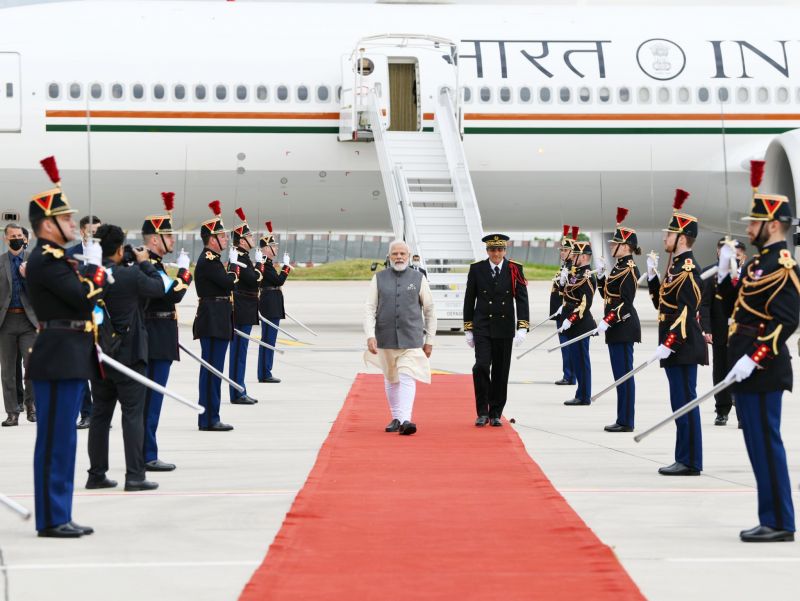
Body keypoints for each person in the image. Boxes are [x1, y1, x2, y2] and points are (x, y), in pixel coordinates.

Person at [716, 160, 797, 542]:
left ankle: (780, 521)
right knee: (756, 445)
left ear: (773, 225)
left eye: (753, 223)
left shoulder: (782, 266)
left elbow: (785, 322)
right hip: (746, 368)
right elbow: (736, 307)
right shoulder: (757, 265)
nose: (747, 229)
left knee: (767, 443)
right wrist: (726, 275)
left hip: (763, 370)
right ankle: (770, 515)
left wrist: (755, 357)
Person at [27, 156, 108, 537]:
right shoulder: (44, 259)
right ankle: (51, 518)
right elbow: (81, 297)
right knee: (55, 440)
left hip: (71, 352)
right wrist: (94, 272)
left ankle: (61, 512)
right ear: (48, 224)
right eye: (67, 219)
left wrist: (90, 272)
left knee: (65, 441)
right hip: (58, 354)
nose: (74, 225)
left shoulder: (60, 258)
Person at [86, 225, 165, 492]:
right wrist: (144, 264)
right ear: (120, 248)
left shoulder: (93, 275)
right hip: (130, 355)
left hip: (101, 355)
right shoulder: (129, 275)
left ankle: (96, 473)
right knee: (132, 416)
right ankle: (135, 475)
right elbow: (158, 288)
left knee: (100, 415)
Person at [647, 189, 707, 476]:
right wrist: (653, 279)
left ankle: (690, 461)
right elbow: (663, 304)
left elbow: (684, 311)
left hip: (682, 346)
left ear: (682, 238)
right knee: (679, 403)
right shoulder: (674, 269)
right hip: (675, 346)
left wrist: (669, 342)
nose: (664, 239)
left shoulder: (688, 269)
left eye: (669, 235)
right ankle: (684, 457)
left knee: (685, 403)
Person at [141, 193, 193, 471]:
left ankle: (146, 451)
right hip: (154, 338)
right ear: (154, 240)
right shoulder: (148, 265)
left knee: (152, 402)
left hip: (159, 336)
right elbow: (172, 295)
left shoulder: (155, 265)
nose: (173, 241)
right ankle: (147, 454)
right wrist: (185, 275)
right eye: (168, 236)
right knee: (151, 402)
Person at [365, 240, 436, 435]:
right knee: (391, 378)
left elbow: (430, 310)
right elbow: (370, 309)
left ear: (408, 256)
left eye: (402, 254)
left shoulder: (419, 278)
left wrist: (429, 340)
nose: (398, 257)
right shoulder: (378, 278)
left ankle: (406, 419)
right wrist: (370, 335)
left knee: (406, 375)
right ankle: (396, 416)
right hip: (385, 337)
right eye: (395, 253)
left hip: (411, 337)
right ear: (389, 257)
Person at [463, 233, 529, 426]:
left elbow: (522, 299)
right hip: (482, 326)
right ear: (487, 251)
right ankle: (482, 411)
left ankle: (495, 413)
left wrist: (522, 327)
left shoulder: (514, 269)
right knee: (481, 366)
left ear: (504, 250)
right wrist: (468, 328)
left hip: (504, 327)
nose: (496, 253)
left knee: (501, 371)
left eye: (500, 249)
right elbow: (469, 299)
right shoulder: (477, 269)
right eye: (493, 250)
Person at [596, 209, 641, 431]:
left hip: (623, 326)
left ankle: (626, 420)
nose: (611, 246)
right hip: (616, 326)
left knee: (624, 375)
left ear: (626, 246)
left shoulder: (629, 268)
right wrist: (601, 277)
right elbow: (607, 296)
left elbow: (626, 302)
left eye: (615, 244)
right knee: (619, 374)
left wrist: (609, 320)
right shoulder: (618, 267)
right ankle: (622, 418)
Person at [193, 201, 236, 431]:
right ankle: (210, 417)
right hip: (213, 319)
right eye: (222, 236)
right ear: (212, 239)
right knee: (213, 370)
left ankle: (209, 416)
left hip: (216, 318)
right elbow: (229, 283)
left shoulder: (214, 260)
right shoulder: (209, 262)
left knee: (213, 370)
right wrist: (235, 268)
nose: (226, 239)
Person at [700, 237, 746, 427]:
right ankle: (722, 410)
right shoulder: (713, 276)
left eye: (737, 254)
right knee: (720, 371)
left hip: (743, 332)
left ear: (743, 256)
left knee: (742, 372)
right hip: (720, 330)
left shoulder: (749, 276)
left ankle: (743, 413)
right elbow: (705, 304)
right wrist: (706, 328)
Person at [67, 214, 102, 429]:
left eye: (98, 231)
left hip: (102, 320)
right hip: (80, 320)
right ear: (82, 231)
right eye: (91, 231)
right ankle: (86, 413)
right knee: (81, 370)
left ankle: (101, 414)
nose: (95, 235)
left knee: (100, 371)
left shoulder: (106, 254)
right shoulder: (70, 255)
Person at [0, 223, 37, 426]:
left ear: (25, 238)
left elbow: (42, 292)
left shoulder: (34, 261)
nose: (16, 238)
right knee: (7, 370)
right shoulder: (1, 261)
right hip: (6, 322)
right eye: (12, 235)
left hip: (28, 320)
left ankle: (31, 406)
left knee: (31, 366)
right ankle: (12, 412)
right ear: (6, 239)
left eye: (19, 235)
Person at [559, 233, 596, 406]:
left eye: (575, 255)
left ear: (583, 256)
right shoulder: (577, 274)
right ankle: (580, 393)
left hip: (581, 324)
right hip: (573, 324)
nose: (572, 258)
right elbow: (570, 295)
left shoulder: (587, 276)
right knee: (577, 360)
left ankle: (584, 395)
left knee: (582, 361)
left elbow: (584, 304)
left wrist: (571, 319)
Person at [228, 208, 259, 405]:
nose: (253, 238)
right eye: (249, 236)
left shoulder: (243, 257)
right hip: (242, 307)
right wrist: (259, 268)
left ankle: (240, 388)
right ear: (241, 241)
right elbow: (254, 279)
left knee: (241, 352)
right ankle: (238, 391)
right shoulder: (239, 258)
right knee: (239, 352)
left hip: (246, 307)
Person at [256, 221, 291, 384]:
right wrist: (286, 267)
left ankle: (265, 371)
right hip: (270, 304)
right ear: (265, 249)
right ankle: (265, 372)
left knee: (268, 339)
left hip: (272, 303)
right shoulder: (264, 264)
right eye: (273, 246)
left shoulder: (267, 264)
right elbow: (278, 280)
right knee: (268, 340)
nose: (276, 249)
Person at [551, 225, 576, 386]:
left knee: (568, 346)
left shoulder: (572, 269)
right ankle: (567, 374)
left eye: (565, 250)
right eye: (561, 250)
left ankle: (569, 376)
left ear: (572, 252)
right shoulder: (565, 267)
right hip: (560, 312)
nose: (562, 252)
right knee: (564, 346)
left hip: (567, 312)